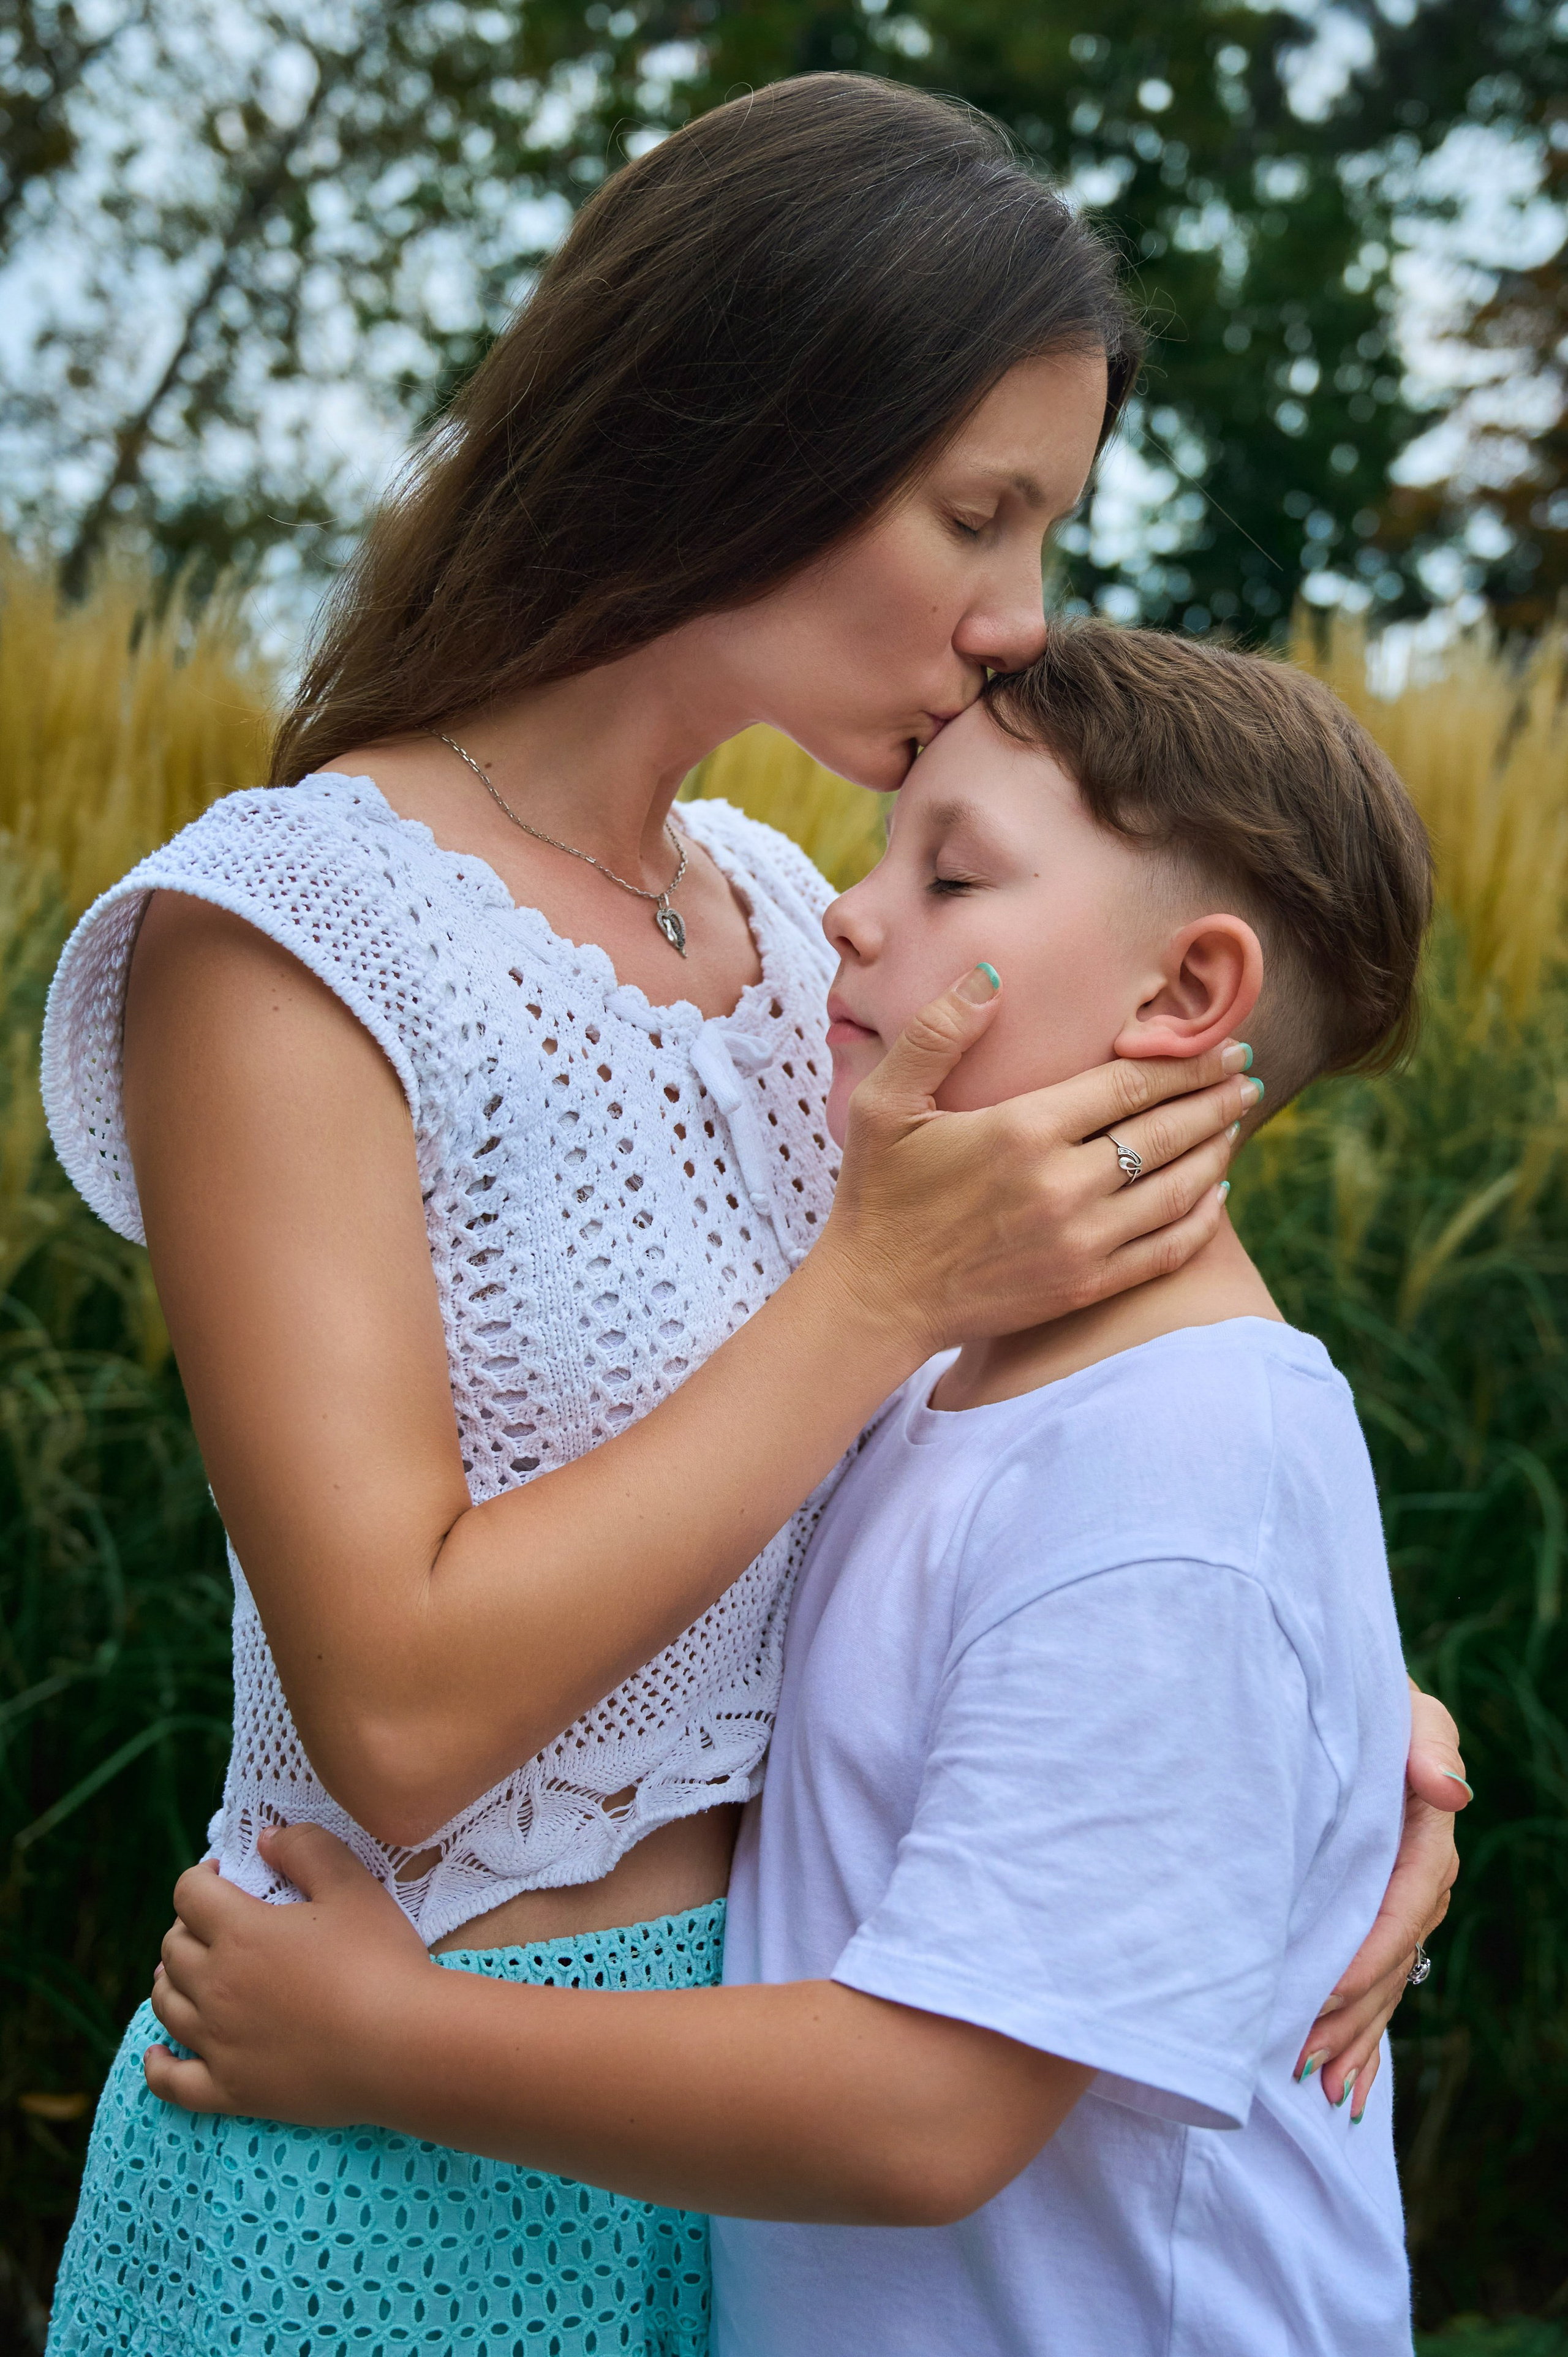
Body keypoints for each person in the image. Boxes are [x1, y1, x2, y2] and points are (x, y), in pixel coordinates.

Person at [41, 78, 1460, 2357]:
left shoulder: (821, 937)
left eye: (1047, 536)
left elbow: (1119, 1423)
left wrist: (1344, 1735)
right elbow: (399, 1712)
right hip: (396, 2125)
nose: (1016, 628)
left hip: (779, 2161)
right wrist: (877, 1279)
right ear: (745, 429)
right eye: (973, 516)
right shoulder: (292, 933)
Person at [148, 624, 1449, 2357]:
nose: (845, 907)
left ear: (1183, 999)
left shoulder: (1175, 1462)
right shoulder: (948, 1373)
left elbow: (929, 2113)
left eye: (956, 872)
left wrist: (392, 2041)